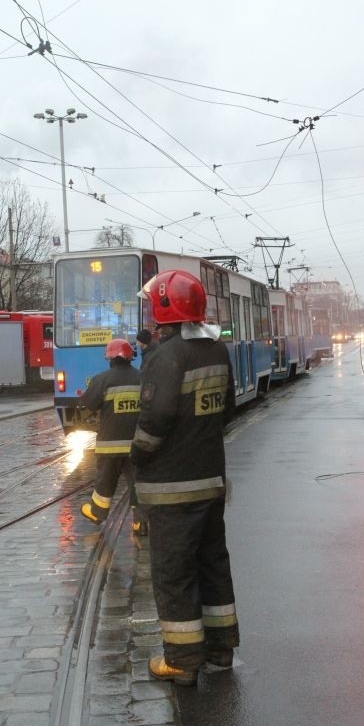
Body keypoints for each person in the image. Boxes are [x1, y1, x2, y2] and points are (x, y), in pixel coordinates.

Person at [131, 269, 239, 686]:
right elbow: (226, 410)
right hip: (210, 481)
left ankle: (181, 660)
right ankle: (220, 648)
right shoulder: (216, 349)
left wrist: (137, 454)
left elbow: (155, 419)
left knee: (174, 573)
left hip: (171, 489)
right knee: (213, 564)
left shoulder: (165, 356)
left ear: (163, 308)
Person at [80, 338, 147, 536]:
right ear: (130, 357)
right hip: (137, 444)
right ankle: (141, 522)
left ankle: (97, 513)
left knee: (105, 481)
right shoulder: (142, 378)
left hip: (109, 445)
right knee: (138, 483)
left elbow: (86, 407)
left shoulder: (102, 379)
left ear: (110, 358)